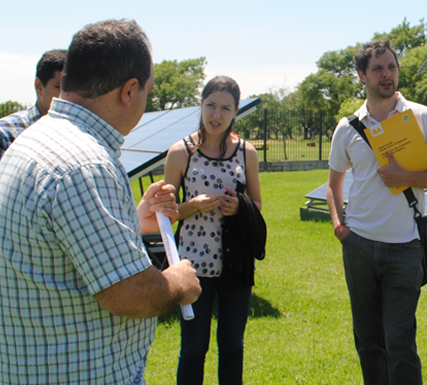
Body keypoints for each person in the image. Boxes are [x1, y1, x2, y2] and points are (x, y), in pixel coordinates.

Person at [0, 19, 201, 383]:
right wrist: (177, 281)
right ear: (130, 91)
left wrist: (132, 222)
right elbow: (129, 293)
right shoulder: (85, 165)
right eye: (147, 92)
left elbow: (57, 247)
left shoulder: (33, 141)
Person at [326, 39, 427, 385]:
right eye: (378, 69)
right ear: (361, 75)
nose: (387, 74)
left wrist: (406, 177)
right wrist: (339, 226)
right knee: (368, 342)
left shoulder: (422, 117)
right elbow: (333, 184)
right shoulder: (348, 127)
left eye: (392, 67)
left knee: (400, 342)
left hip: (406, 246)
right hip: (359, 246)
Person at [163, 75, 263, 385]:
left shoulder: (246, 151)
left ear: (235, 112)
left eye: (225, 108)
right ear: (201, 105)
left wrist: (239, 207)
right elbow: (166, 214)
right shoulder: (180, 152)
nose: (216, 115)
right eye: (210, 105)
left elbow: (257, 203)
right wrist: (193, 205)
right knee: (193, 348)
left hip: (236, 263)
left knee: (232, 345)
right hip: (193, 266)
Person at [0, 49, 66, 160]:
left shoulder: (82, 134)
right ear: (39, 86)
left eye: (71, 90)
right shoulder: (6, 132)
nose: (66, 95)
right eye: (58, 87)